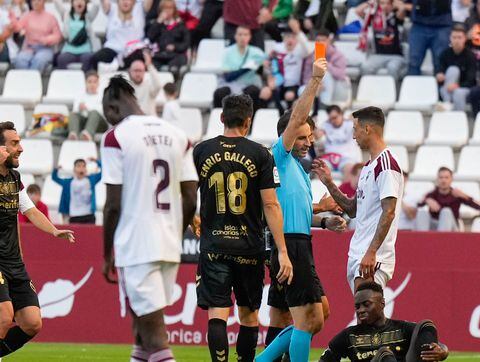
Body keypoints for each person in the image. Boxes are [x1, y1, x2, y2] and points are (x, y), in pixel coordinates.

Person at [100, 76, 198, 362]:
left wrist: (107, 253)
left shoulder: (116, 137)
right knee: (141, 332)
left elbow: (113, 205)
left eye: (107, 115)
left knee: (155, 337)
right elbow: (191, 198)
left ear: (112, 107)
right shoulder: (179, 135)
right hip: (168, 244)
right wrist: (175, 235)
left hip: (136, 245)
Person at [257, 58, 347, 362]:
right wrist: (316, 81)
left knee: (318, 314)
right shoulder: (278, 156)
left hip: (300, 242)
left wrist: (322, 219)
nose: (309, 142)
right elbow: (297, 117)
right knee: (309, 320)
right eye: (303, 136)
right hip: (290, 245)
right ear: (288, 134)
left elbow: (295, 209)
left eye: (311, 137)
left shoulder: (296, 167)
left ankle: (263, 360)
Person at [192, 93, 293, 362]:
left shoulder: (201, 151)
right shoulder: (260, 154)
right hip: (249, 247)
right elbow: (271, 205)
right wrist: (282, 250)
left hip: (214, 246)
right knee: (248, 315)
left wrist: (193, 217)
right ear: (248, 121)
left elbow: (189, 194)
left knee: (217, 313)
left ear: (222, 118)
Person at [0, 121, 75, 359]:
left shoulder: (14, 178)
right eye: (14, 143)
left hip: (14, 263)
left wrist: (54, 231)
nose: (20, 148)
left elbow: (30, 211)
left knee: (32, 323)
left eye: (19, 142)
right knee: (3, 315)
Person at [313, 106, 404, 292]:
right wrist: (330, 183)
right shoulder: (369, 166)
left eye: (355, 129)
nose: (353, 136)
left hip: (372, 257)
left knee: (369, 314)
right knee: (365, 314)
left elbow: (389, 211)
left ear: (368, 129)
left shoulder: (386, 165)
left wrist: (372, 252)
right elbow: (353, 209)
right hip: (358, 252)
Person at [319, 282, 449, 362]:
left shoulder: (401, 328)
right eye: (357, 307)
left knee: (426, 326)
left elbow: (438, 345)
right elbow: (326, 358)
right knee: (384, 354)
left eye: (366, 304)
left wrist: (443, 351)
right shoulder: (349, 335)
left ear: (382, 303)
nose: (361, 310)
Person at [213, 26, 272, 112]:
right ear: (235, 36)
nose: (242, 37)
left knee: (253, 92)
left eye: (245, 34)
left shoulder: (257, 52)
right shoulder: (227, 52)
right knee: (220, 93)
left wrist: (268, 87)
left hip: (250, 84)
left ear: (250, 36)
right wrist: (249, 66)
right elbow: (227, 76)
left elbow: (265, 72)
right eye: (240, 34)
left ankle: (251, 123)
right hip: (231, 84)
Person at [87, 0, 152, 71]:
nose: (125, 2)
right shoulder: (111, 8)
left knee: (144, 60)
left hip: (133, 51)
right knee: (94, 59)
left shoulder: (140, 8)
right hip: (112, 48)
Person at [418, 167, 480, 232]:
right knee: (422, 213)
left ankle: (442, 240)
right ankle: (421, 239)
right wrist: (426, 200)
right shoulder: (432, 194)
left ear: (451, 179)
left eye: (446, 177)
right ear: (437, 179)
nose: (443, 180)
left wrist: (464, 196)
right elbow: (417, 206)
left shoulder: (456, 194)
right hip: (434, 226)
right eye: (441, 177)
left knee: (446, 212)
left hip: (452, 228)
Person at [269, 19, 310, 114]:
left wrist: (298, 31)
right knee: (268, 89)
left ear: (297, 39)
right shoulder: (278, 50)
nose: (290, 40)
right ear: (283, 38)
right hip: (280, 83)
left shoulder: (299, 52)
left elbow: (307, 49)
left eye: (292, 37)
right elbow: (270, 65)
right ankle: (280, 115)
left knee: (289, 95)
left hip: (294, 86)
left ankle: (290, 115)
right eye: (287, 37)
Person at [359, 0, 407, 80]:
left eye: (388, 4)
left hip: (395, 56)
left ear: (392, 5)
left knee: (392, 68)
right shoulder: (373, 17)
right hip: (377, 55)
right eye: (382, 3)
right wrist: (371, 2)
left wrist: (395, 2)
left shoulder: (396, 17)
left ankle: (392, 91)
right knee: (365, 67)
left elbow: (402, 8)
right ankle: (371, 90)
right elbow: (358, 11)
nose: (385, 6)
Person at [402, 0, 452, 76]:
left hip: (442, 25)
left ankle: (439, 87)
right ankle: (412, 87)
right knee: (414, 61)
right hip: (419, 24)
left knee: (440, 63)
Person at [301, 29, 348, 109]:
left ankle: (325, 105)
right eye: (318, 40)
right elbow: (305, 78)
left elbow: (341, 75)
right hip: (316, 88)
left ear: (329, 41)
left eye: (323, 40)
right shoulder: (311, 56)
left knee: (325, 73)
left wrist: (325, 63)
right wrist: (315, 84)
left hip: (336, 87)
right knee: (301, 90)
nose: (320, 43)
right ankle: (310, 108)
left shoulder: (338, 55)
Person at [435, 24, 477, 112]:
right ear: (450, 38)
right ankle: (448, 103)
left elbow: (471, 79)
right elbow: (439, 70)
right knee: (452, 70)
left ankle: (450, 107)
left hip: (464, 88)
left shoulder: (470, 56)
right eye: (454, 37)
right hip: (447, 88)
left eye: (459, 37)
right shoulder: (445, 54)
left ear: (465, 39)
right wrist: (439, 75)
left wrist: (457, 86)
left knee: (458, 93)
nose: (457, 40)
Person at [11, 0, 62, 71]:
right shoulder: (27, 16)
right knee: (20, 59)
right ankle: (24, 80)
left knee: (39, 60)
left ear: (44, 2)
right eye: (33, 0)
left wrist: (46, 39)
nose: (35, 2)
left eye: (39, 0)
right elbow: (17, 28)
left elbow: (58, 36)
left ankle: (32, 80)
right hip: (29, 48)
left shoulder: (51, 17)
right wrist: (12, 18)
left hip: (45, 48)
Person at [52, 158, 102, 225]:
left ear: (86, 169)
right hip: (74, 216)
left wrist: (97, 161)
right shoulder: (68, 182)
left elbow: (103, 172)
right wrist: (55, 170)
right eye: (78, 166)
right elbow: (54, 178)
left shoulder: (91, 180)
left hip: (89, 215)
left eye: (83, 166)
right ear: (74, 169)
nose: (81, 168)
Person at [146, 0, 190, 76]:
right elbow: (150, 37)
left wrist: (175, 47)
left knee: (174, 68)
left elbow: (186, 43)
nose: (168, 11)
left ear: (174, 10)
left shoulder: (180, 25)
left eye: (170, 8)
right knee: (151, 67)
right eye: (165, 8)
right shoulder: (157, 24)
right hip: (160, 55)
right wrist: (158, 22)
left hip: (176, 55)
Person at [317, 105, 361, 179]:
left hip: (346, 158)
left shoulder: (350, 124)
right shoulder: (326, 125)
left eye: (335, 117)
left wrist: (353, 118)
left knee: (349, 171)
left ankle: (344, 190)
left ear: (341, 114)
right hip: (330, 157)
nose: (333, 121)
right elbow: (317, 136)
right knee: (319, 169)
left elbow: (362, 119)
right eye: (330, 119)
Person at [54, 0, 99, 69]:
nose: (79, 2)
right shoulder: (66, 15)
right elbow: (57, 3)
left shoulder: (88, 16)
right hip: (69, 50)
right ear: (72, 3)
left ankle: (86, 79)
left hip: (85, 50)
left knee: (88, 58)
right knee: (61, 59)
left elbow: (96, 5)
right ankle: (65, 79)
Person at [68, 71, 106, 141]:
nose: (92, 84)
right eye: (89, 82)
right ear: (85, 83)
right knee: (73, 114)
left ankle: (87, 134)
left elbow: (101, 112)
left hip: (99, 124)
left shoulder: (102, 96)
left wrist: (87, 108)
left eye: (95, 82)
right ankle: (73, 134)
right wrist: (80, 108)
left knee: (94, 113)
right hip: (84, 122)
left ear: (98, 83)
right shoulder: (79, 96)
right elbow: (75, 110)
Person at [128, 51, 162, 116]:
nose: (138, 74)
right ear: (130, 72)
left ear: (144, 72)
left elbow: (158, 85)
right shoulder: (126, 88)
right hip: (133, 122)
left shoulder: (149, 86)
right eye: (135, 70)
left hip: (148, 122)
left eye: (140, 71)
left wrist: (149, 65)